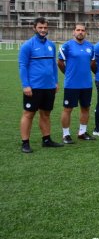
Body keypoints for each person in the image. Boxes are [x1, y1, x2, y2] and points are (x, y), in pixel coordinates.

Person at [18, 17, 63, 152]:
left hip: (49, 87)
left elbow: (54, 66)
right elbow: (22, 66)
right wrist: (26, 85)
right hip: (34, 87)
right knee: (29, 114)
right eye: (40, 28)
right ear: (34, 28)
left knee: (46, 114)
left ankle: (46, 139)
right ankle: (25, 143)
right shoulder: (27, 45)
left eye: (45, 28)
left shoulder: (51, 45)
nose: (43, 30)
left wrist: (55, 82)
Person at [58, 23, 95, 143]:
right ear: (73, 32)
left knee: (85, 108)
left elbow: (91, 63)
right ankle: (66, 134)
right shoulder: (67, 46)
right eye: (78, 30)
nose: (80, 32)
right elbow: (60, 63)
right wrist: (68, 73)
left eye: (83, 30)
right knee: (67, 109)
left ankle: (82, 132)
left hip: (86, 84)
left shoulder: (90, 46)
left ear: (85, 32)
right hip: (72, 84)